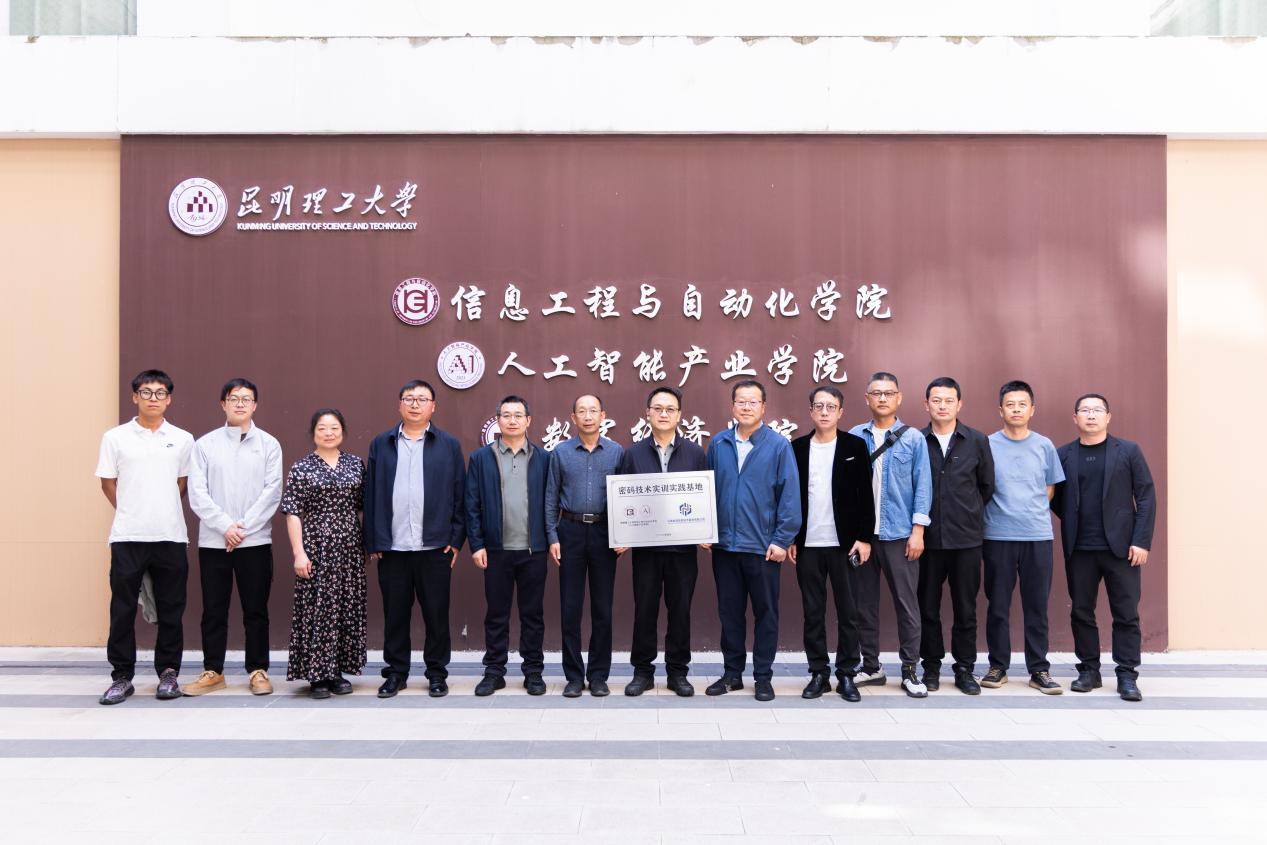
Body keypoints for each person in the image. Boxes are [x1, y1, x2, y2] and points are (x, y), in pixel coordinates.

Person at [95, 369, 195, 705]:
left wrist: (159, 508)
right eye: (146, 392)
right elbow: (108, 483)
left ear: (169, 399)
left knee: (171, 609)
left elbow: (182, 483)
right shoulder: (115, 437)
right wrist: (131, 510)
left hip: (170, 535)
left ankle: (168, 673)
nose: (153, 398)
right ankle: (121, 677)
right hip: (128, 536)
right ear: (134, 396)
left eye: (160, 392)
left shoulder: (183, 439)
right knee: (122, 609)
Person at [364, 380, 466, 699]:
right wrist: (374, 540)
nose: (415, 404)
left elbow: (460, 494)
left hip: (434, 546)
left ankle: (436, 673)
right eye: (409, 398)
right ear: (400, 404)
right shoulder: (382, 444)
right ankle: (396, 673)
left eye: (422, 399)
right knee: (395, 615)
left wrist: (455, 539)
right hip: (392, 547)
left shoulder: (448, 445)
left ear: (433, 406)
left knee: (436, 614)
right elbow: (371, 495)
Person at [1052, 393, 1156, 702]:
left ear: (1108, 417)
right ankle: (1089, 671)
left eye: (1097, 410)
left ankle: (1127, 675)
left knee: (1126, 613)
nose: (1091, 415)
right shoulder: (1064, 454)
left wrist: (1141, 540)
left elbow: (1146, 496)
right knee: (1082, 611)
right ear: (1075, 418)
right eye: (1085, 410)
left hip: (1122, 549)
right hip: (1080, 548)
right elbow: (1055, 498)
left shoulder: (1129, 451)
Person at [184, 378, 283, 697]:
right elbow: (198, 493)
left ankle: (258, 670)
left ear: (255, 405)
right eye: (234, 398)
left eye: (246, 398)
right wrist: (225, 526)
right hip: (214, 542)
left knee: (256, 609)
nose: (240, 403)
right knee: (213, 609)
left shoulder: (269, 444)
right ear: (223, 404)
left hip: (255, 541)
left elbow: (272, 492)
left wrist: (241, 528)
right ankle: (213, 670)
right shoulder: (205, 445)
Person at [704, 379, 801, 702]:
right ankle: (732, 674)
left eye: (753, 402)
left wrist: (781, 539)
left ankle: (762, 677)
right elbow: (705, 491)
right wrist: (704, 530)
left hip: (763, 548)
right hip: (725, 547)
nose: (746, 407)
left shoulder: (778, 446)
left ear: (763, 407)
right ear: (732, 406)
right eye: (741, 402)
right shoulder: (718, 444)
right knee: (729, 614)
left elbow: (789, 497)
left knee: (766, 614)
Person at [616, 386, 707, 697]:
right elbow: (623, 499)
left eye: (670, 409)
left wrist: (706, 531)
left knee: (680, 610)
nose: (664, 414)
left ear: (679, 415)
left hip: (683, 550)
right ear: (648, 414)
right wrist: (621, 534)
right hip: (646, 550)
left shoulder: (695, 453)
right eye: (658, 408)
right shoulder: (633, 454)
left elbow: (704, 497)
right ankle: (642, 672)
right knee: (645, 610)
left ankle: (677, 673)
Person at [848, 372, 933, 698]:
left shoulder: (913, 439)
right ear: (867, 398)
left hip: (900, 535)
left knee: (907, 605)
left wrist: (918, 531)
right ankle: (871, 666)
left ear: (899, 398)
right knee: (864, 605)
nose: (882, 398)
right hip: (863, 537)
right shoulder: (854, 436)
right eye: (876, 393)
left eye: (888, 393)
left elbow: (923, 486)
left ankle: (910, 669)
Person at [789, 385, 874, 702]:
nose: (824, 412)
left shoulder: (854, 446)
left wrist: (864, 538)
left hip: (845, 545)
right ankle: (818, 673)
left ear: (840, 412)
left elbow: (866, 495)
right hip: (808, 544)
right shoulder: (797, 448)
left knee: (848, 612)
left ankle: (847, 674)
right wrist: (792, 537)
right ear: (811, 411)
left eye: (831, 407)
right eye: (819, 406)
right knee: (813, 612)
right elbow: (790, 496)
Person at [981, 380, 1066, 695]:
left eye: (1022, 404)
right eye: (1010, 404)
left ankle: (1039, 669)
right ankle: (998, 666)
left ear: (1032, 409)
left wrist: (1029, 511)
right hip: (997, 535)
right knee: (997, 606)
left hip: (1037, 536)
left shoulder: (1044, 445)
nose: (1016, 409)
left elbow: (1049, 488)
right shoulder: (987, 444)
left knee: (1036, 606)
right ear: (1000, 409)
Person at [465, 395, 550, 696]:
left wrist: (551, 539)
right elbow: (471, 504)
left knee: (533, 615)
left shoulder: (543, 458)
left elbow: (551, 503)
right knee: (496, 614)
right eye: (506, 415)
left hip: (534, 550)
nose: (512, 420)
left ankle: (533, 672)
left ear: (528, 421)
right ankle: (494, 672)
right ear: (498, 420)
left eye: (518, 415)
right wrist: (477, 544)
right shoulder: (481, 458)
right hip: (496, 550)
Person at [281, 408, 368, 699]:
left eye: (334, 428)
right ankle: (317, 675)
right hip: (316, 547)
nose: (328, 433)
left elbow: (362, 507)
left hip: (350, 548)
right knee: (318, 609)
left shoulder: (355, 464)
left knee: (345, 607)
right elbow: (293, 512)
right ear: (313, 432)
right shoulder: (302, 467)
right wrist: (299, 553)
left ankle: (337, 671)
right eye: (322, 428)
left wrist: (365, 544)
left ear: (343, 431)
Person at [918, 377, 995, 695]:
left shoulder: (976, 441)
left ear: (959, 404)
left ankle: (964, 669)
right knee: (927, 607)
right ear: (926, 404)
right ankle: (931, 667)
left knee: (966, 608)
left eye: (949, 400)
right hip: (926, 541)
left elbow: (986, 486)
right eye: (936, 400)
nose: (942, 406)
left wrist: (967, 513)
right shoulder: (916, 440)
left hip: (966, 541)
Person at [545, 394, 624, 698]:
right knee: (570, 608)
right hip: (570, 531)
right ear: (573, 417)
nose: (588, 416)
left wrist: (624, 534)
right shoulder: (561, 453)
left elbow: (626, 497)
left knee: (603, 608)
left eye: (593, 411)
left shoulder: (616, 452)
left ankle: (599, 675)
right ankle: (574, 676)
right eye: (582, 411)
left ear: (603, 415)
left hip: (604, 532)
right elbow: (550, 498)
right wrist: (552, 536)